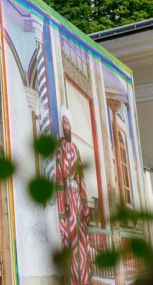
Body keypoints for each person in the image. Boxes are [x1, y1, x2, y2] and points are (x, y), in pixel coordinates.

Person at [56, 106, 91, 285]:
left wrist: (84, 204)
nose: (66, 127)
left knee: (81, 242)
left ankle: (83, 279)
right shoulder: (60, 150)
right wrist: (64, 204)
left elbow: (81, 176)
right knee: (70, 242)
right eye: (64, 124)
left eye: (68, 124)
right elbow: (59, 177)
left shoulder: (76, 149)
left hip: (77, 198)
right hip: (67, 200)